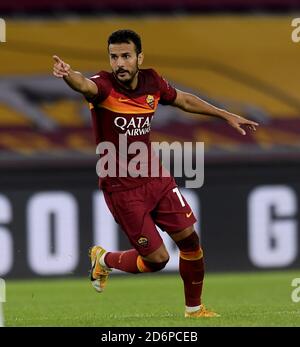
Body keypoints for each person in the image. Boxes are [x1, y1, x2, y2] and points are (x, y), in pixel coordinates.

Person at [53, 29, 258, 318]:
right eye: (114, 57)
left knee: (190, 241)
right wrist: (68, 75)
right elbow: (84, 85)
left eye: (126, 56)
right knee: (157, 260)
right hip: (122, 187)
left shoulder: (152, 81)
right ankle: (104, 259)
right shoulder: (104, 86)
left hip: (156, 178)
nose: (120, 63)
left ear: (139, 57)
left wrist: (226, 115)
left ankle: (194, 309)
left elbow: (183, 100)